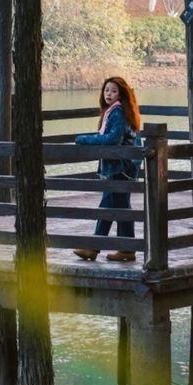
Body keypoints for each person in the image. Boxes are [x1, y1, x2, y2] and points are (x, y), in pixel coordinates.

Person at [73, 76, 141, 263]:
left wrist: (85, 139)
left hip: (119, 167)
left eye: (113, 91)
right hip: (124, 166)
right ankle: (127, 249)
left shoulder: (118, 112)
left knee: (109, 205)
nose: (108, 94)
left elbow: (113, 139)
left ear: (121, 94)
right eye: (106, 90)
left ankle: (94, 248)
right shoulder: (119, 111)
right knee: (120, 207)